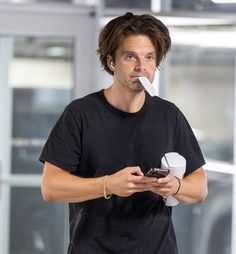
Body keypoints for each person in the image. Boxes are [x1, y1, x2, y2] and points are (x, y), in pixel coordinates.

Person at [40, 12, 208, 254]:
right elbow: (51, 187)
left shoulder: (169, 115)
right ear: (111, 62)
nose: (142, 67)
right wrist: (109, 184)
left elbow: (199, 187)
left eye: (149, 57)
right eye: (131, 57)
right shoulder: (80, 114)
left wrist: (174, 186)